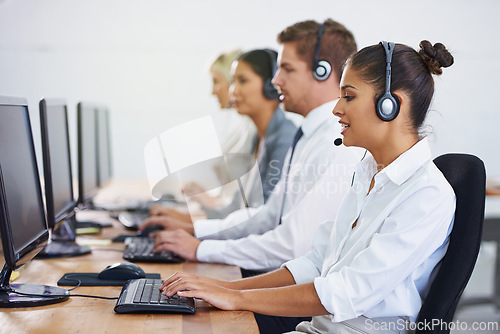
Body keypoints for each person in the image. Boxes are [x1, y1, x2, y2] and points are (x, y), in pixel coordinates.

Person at [157, 40, 456, 334]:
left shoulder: (427, 194)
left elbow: (345, 291)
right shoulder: (367, 173)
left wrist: (235, 297)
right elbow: (318, 262)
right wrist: (226, 289)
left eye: (349, 97)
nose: (336, 109)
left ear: (391, 105)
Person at [144, 19, 361, 277]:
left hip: (293, 292)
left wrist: (202, 249)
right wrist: (198, 234)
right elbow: (266, 216)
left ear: (322, 71)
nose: (276, 80)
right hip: (276, 277)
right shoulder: (307, 136)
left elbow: (291, 245)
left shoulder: (335, 143)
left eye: (287, 69)